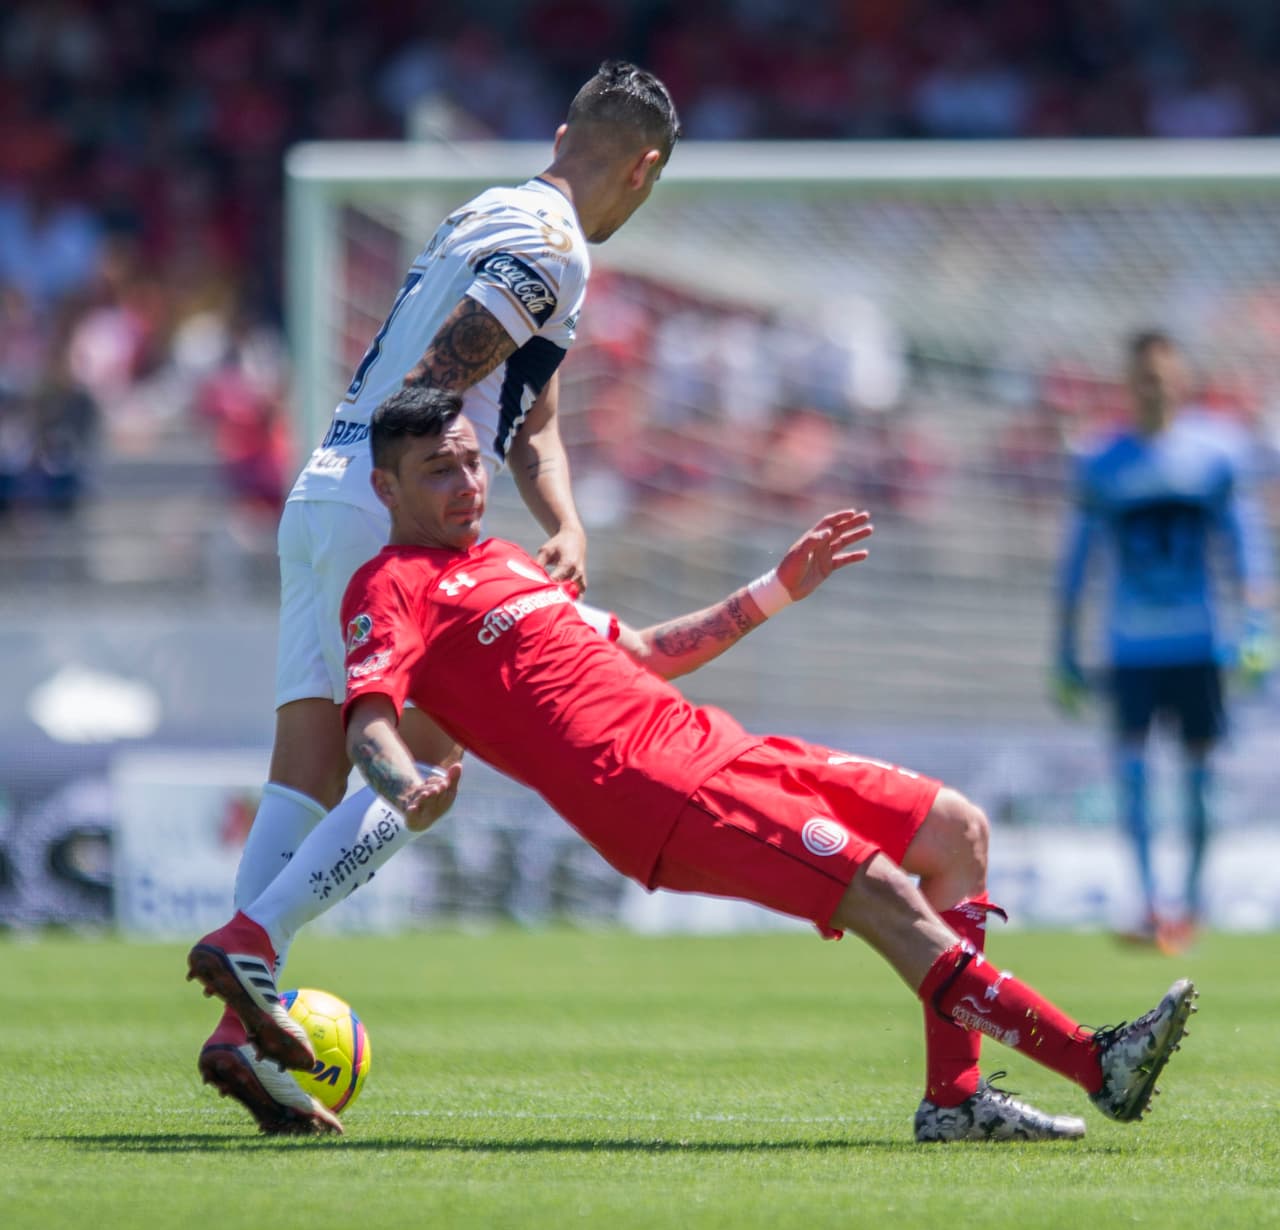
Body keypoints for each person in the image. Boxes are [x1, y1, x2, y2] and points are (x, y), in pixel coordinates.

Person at [190, 386, 1198, 1143]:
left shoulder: (504, 560)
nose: (464, 482)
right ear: (386, 488)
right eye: (437, 470)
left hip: (717, 743)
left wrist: (773, 588)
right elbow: (369, 715)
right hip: (656, 796)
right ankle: (1093, 1062)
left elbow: (635, 652)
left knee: (953, 831)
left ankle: (954, 1099)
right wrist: (401, 783)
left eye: (468, 460)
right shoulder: (391, 583)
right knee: (885, 892)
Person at [193, 60, 681, 1132]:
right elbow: (444, 382)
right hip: (386, 508)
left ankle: (243, 1025)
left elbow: (529, 410)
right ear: (642, 168)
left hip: (323, 493)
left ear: (562, 130)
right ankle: (252, 946)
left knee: (307, 770)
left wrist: (563, 520)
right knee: (431, 752)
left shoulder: (498, 210)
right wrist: (435, 516)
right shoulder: (554, 245)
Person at [1052, 330, 1275, 951]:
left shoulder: (1216, 453)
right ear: (1128, 385)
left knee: (1201, 779)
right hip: (1129, 646)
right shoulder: (1101, 459)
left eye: (1162, 377)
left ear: (1181, 381)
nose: (1153, 388)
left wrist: (1258, 625)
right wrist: (1064, 646)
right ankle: (1150, 903)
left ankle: (1194, 906)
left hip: (1199, 642)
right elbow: (1078, 557)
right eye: (1141, 378)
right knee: (1132, 774)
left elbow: (1246, 544)